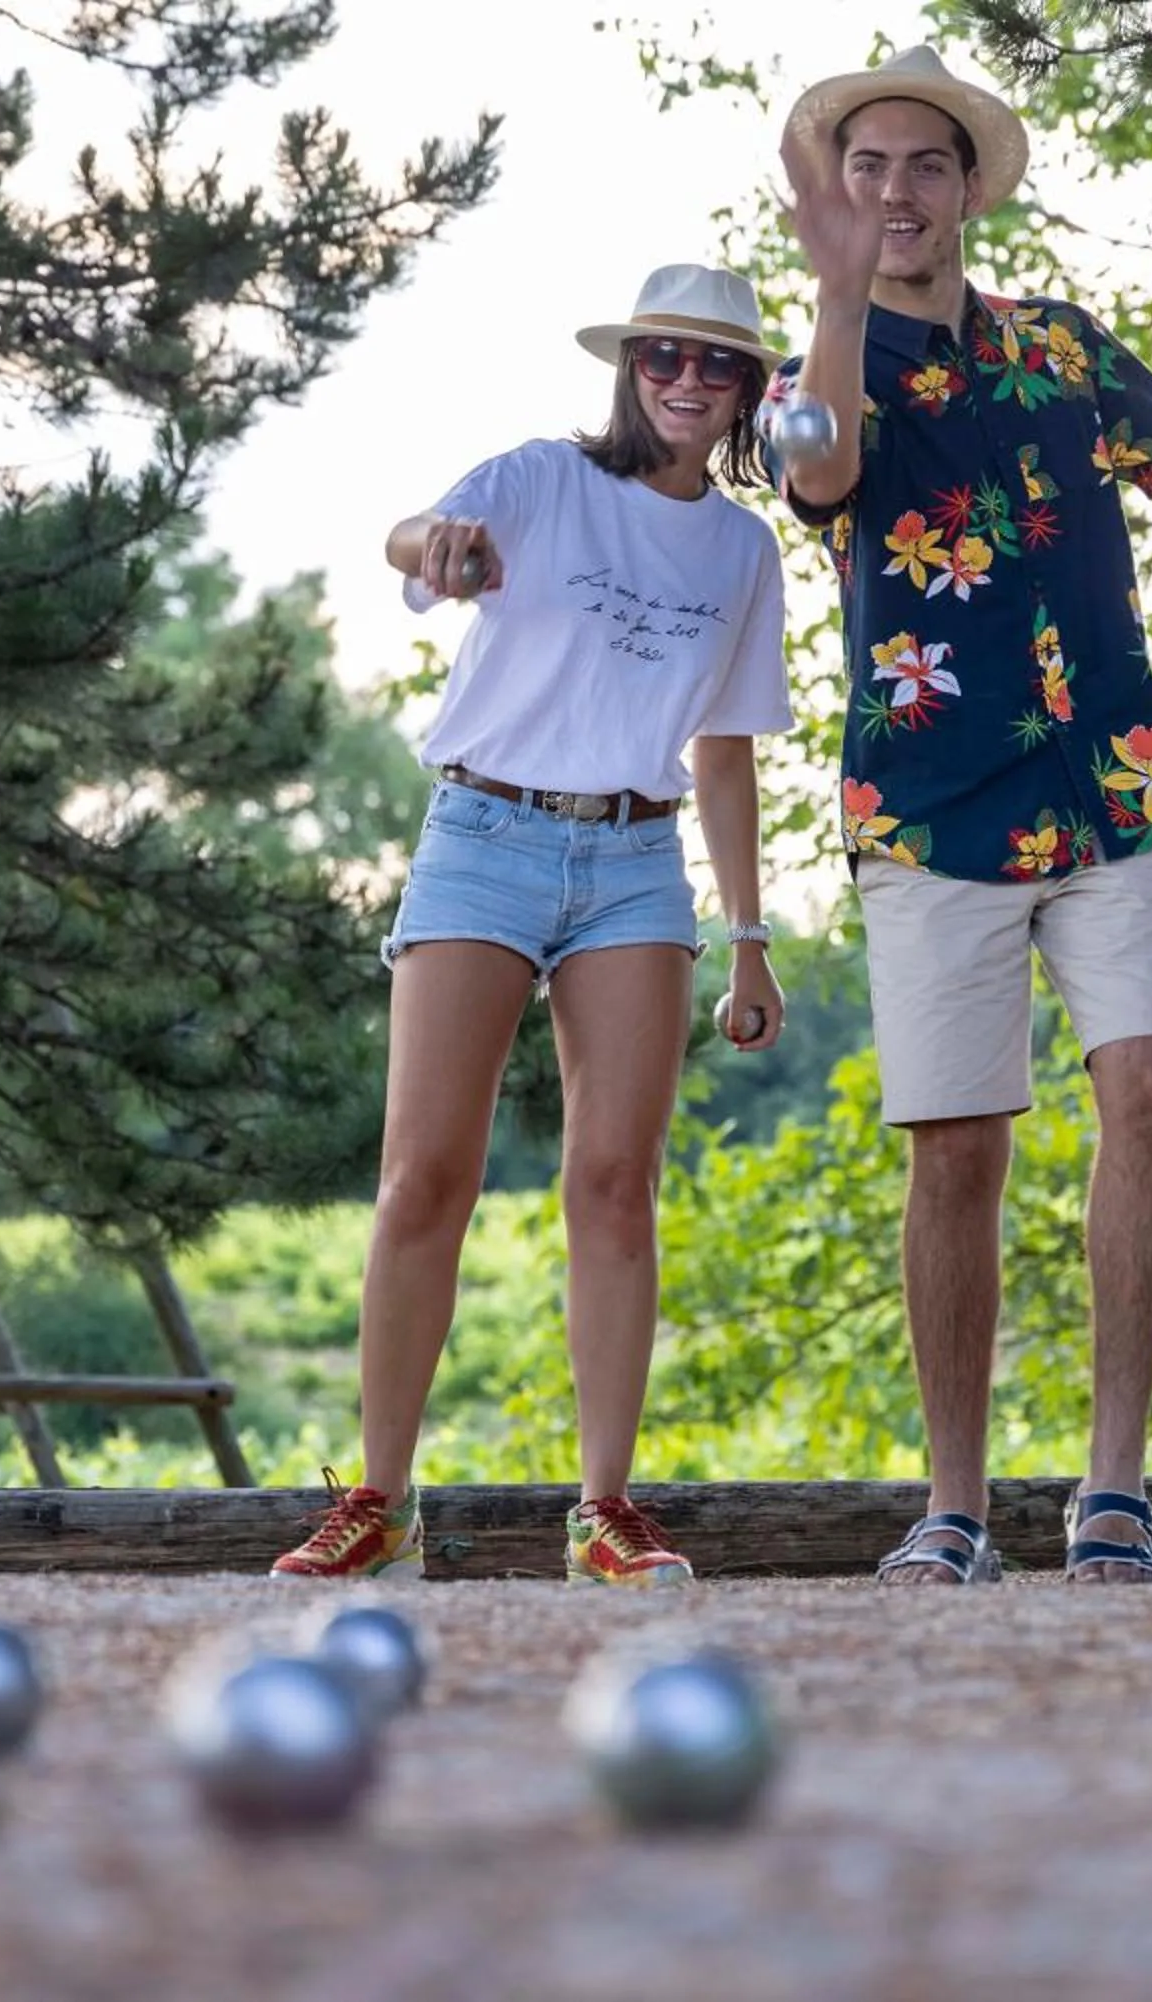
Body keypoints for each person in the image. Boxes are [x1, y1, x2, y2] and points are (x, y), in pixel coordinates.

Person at [767, 48, 1152, 1584]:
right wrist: (833, 296)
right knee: (961, 1152)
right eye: (864, 167)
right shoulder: (819, 368)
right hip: (931, 804)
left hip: (1111, 777)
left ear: (966, 189)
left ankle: (1114, 1490)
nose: (894, 191)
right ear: (834, 193)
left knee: (1150, 1089)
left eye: (923, 166)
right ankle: (955, 1505)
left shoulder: (1061, 346)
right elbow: (821, 477)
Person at [271, 264, 796, 1587]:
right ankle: (377, 1501)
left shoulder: (742, 549)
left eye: (716, 366)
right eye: (664, 356)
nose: (686, 381)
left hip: (635, 859)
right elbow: (416, 534)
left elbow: (727, 749)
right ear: (631, 366)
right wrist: (430, 549)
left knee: (617, 1185)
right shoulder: (540, 480)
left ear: (745, 391)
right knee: (423, 1176)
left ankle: (604, 1509)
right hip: (486, 839)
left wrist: (749, 935)